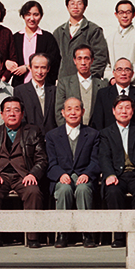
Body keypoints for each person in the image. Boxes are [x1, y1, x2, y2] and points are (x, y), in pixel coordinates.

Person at [0, 97, 48, 249]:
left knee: (33, 192)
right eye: (8, 110)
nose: (12, 114)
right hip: (0, 175)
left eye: (16, 110)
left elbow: (41, 158)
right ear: (1, 114)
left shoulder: (33, 132)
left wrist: (33, 174)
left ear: (22, 114)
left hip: (24, 175)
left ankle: (33, 237)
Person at [98, 95, 135, 248]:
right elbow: (104, 156)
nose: (124, 111)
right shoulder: (106, 133)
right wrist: (109, 174)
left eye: (127, 108)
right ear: (113, 111)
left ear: (132, 111)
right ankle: (119, 236)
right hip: (117, 175)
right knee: (113, 192)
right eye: (120, 108)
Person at [46, 97, 101, 248]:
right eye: (69, 109)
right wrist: (60, 174)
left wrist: (87, 174)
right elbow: (51, 163)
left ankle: (87, 233)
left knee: (83, 189)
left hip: (84, 176)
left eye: (77, 109)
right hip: (62, 176)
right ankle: (62, 233)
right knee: (64, 190)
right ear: (63, 113)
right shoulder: (52, 135)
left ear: (83, 112)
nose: (73, 113)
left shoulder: (92, 134)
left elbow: (96, 161)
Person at [52, 0, 108, 79]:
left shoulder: (93, 30)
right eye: (72, 3)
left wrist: (90, 78)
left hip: (86, 80)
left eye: (79, 3)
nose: (75, 6)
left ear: (85, 7)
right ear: (67, 7)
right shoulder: (58, 32)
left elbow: (100, 58)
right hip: (63, 81)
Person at [90, 58, 135, 130]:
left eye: (127, 70)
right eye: (119, 70)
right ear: (113, 73)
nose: (123, 73)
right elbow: (98, 123)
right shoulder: (103, 94)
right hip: (108, 136)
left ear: (132, 73)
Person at [11, 0, 61, 86]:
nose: (32, 18)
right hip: (20, 85)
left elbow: (54, 61)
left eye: (36, 15)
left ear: (41, 16)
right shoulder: (16, 38)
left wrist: (27, 67)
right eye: (28, 14)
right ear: (23, 16)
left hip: (43, 85)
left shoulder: (48, 38)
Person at [55, 45, 106, 127]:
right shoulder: (65, 83)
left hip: (96, 132)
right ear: (74, 61)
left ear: (92, 60)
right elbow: (59, 112)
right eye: (79, 58)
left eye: (86, 58)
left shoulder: (102, 85)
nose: (83, 63)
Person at [104, 0, 135, 86]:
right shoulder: (110, 39)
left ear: (134, 14)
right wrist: (112, 78)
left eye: (128, 12)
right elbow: (106, 64)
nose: (125, 15)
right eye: (121, 12)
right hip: (115, 86)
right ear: (116, 14)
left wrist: (125, 79)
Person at [13, 53, 57, 133]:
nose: (39, 72)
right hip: (30, 136)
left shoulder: (54, 90)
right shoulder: (20, 91)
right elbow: (21, 117)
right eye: (36, 67)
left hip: (52, 136)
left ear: (48, 69)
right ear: (30, 68)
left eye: (43, 68)